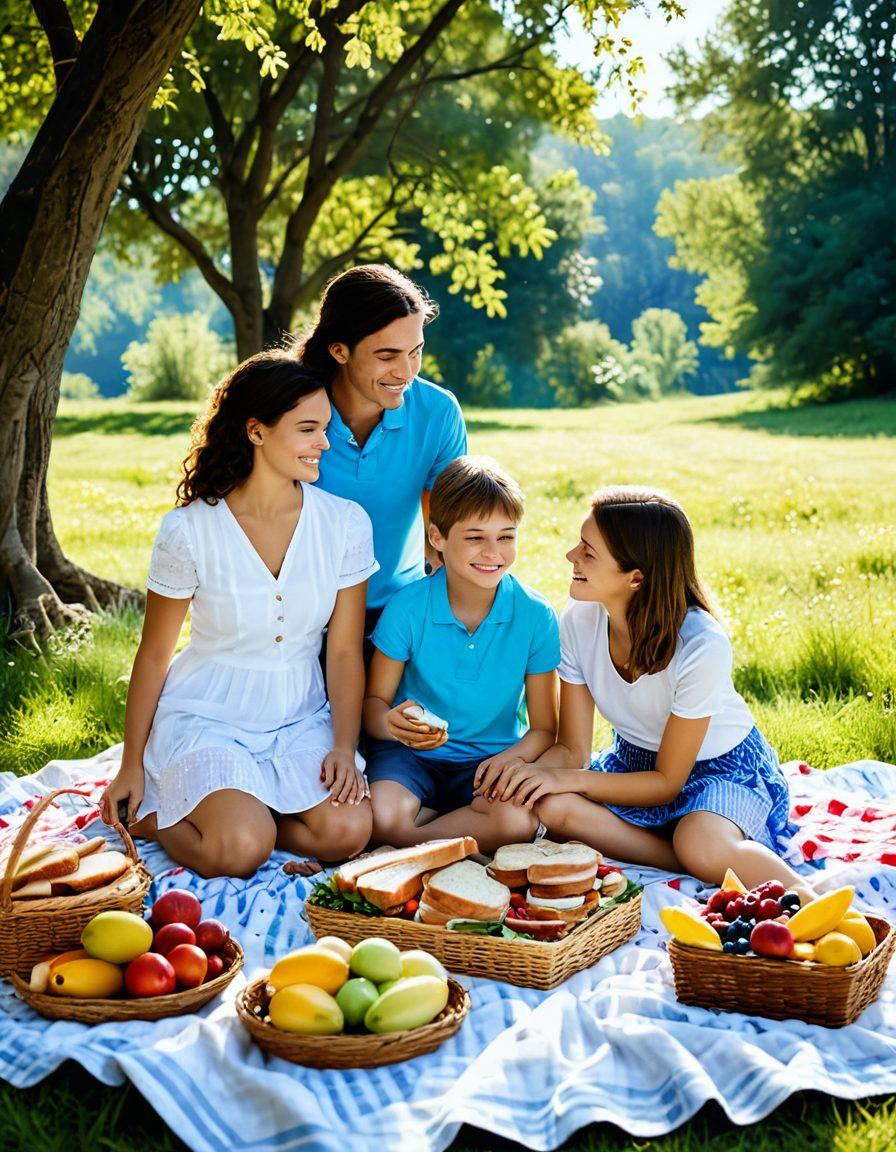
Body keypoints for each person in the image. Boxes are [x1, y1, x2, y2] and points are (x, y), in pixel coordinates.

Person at [99, 352, 375, 878]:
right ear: (257, 431)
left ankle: (255, 810)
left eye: (326, 428)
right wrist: (131, 763)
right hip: (209, 716)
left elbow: (341, 651)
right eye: (309, 429)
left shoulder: (344, 525)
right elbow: (155, 652)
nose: (325, 442)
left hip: (299, 715)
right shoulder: (189, 530)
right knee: (242, 849)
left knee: (348, 831)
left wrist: (344, 743)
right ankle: (158, 816)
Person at [475, 485, 811, 898]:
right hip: (632, 763)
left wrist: (568, 778)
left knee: (701, 842)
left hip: (720, 770)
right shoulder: (579, 620)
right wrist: (535, 774)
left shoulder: (701, 644)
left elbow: (668, 782)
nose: (571, 556)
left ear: (636, 577)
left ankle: (810, 896)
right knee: (552, 806)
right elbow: (573, 748)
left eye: (588, 551)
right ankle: (682, 856)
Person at [362, 456, 560, 854]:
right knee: (384, 814)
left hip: (488, 761)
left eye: (506, 536)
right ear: (437, 537)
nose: (493, 552)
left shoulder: (536, 616)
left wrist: (512, 760)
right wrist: (390, 723)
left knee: (515, 820)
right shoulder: (408, 608)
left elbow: (544, 729)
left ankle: (407, 841)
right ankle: (449, 830)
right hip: (411, 758)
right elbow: (371, 705)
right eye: (475, 537)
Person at [296, 264, 467, 651]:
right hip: (301, 617)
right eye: (387, 355)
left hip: (397, 614)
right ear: (339, 350)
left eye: (416, 351)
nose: (405, 371)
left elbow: (444, 535)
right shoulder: (292, 410)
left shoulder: (438, 413)